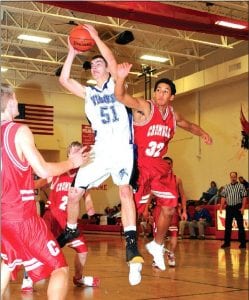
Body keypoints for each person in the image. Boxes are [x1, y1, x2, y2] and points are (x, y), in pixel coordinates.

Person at [59, 24, 143, 286]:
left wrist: (95, 37)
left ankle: (131, 242)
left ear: (107, 69)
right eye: (92, 65)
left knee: (124, 190)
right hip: (99, 148)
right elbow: (63, 80)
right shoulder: (89, 92)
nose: (95, 67)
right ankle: (71, 228)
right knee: (73, 193)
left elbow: (111, 60)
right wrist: (72, 53)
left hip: (121, 148)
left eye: (98, 64)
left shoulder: (116, 83)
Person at [114, 62, 213, 271]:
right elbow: (121, 97)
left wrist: (203, 133)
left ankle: (157, 246)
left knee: (169, 208)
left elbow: (189, 125)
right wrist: (121, 79)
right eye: (158, 90)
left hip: (159, 166)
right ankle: (132, 247)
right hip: (139, 166)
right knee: (137, 213)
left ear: (172, 97)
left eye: (165, 91)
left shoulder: (173, 116)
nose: (160, 94)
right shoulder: (145, 107)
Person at [1, 83, 89, 299]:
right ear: (11, 99)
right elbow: (42, 169)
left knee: (7, 262)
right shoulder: (18, 131)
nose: (18, 102)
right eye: (16, 98)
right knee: (59, 268)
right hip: (22, 218)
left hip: (3, 218)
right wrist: (72, 161)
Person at [21, 142, 99, 293]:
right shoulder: (58, 171)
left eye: (79, 149)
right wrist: (24, 184)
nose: (77, 151)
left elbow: (87, 195)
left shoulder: (83, 174)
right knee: (39, 247)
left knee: (83, 250)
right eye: (73, 150)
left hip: (70, 221)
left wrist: (90, 208)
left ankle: (78, 278)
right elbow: (39, 183)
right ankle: (28, 277)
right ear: (69, 155)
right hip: (53, 218)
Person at [163, 156, 187, 267]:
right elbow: (151, 195)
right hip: (160, 211)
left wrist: (184, 211)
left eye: (169, 163)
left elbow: (182, 195)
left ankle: (171, 254)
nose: (167, 165)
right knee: (159, 236)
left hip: (173, 211)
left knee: (174, 235)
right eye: (165, 163)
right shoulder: (157, 178)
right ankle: (157, 256)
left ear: (172, 165)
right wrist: (146, 209)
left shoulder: (177, 179)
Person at [220, 172, 248, 249]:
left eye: (234, 177)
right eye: (232, 177)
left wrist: (243, 207)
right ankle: (227, 243)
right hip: (229, 208)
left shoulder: (241, 186)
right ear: (230, 177)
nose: (233, 178)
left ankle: (243, 243)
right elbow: (223, 197)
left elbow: (244, 197)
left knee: (240, 226)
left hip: (237, 207)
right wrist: (221, 207)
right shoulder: (226, 187)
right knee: (228, 226)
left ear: (236, 177)